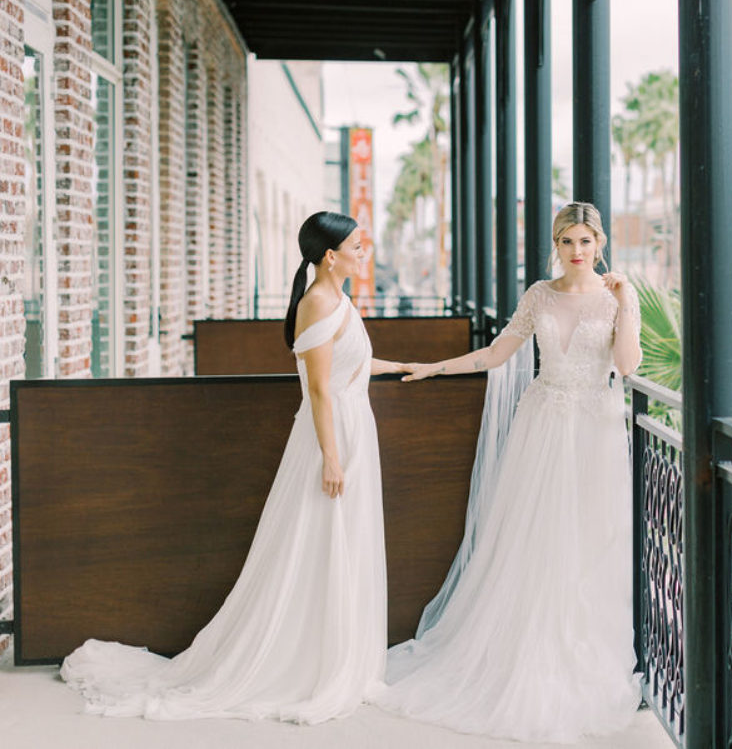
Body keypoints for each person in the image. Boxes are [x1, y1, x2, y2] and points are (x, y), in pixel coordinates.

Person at [61, 212, 412, 724]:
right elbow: (318, 389)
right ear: (330, 255)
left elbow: (347, 365)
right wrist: (332, 458)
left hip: (354, 427)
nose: (365, 252)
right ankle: (307, 665)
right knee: (317, 542)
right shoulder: (317, 303)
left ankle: (340, 659)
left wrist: (401, 366)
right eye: (357, 245)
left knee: (344, 543)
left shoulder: (338, 300)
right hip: (331, 437)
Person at [377, 201, 643, 742]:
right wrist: (433, 368)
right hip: (541, 426)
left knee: (590, 540)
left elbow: (628, 364)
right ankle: (527, 648)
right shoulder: (539, 295)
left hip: (593, 430)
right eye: (567, 241)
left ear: (600, 244)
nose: (576, 251)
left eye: (585, 241)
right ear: (556, 244)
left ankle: (580, 651)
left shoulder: (614, 296)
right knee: (536, 538)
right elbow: (497, 355)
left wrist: (628, 303)